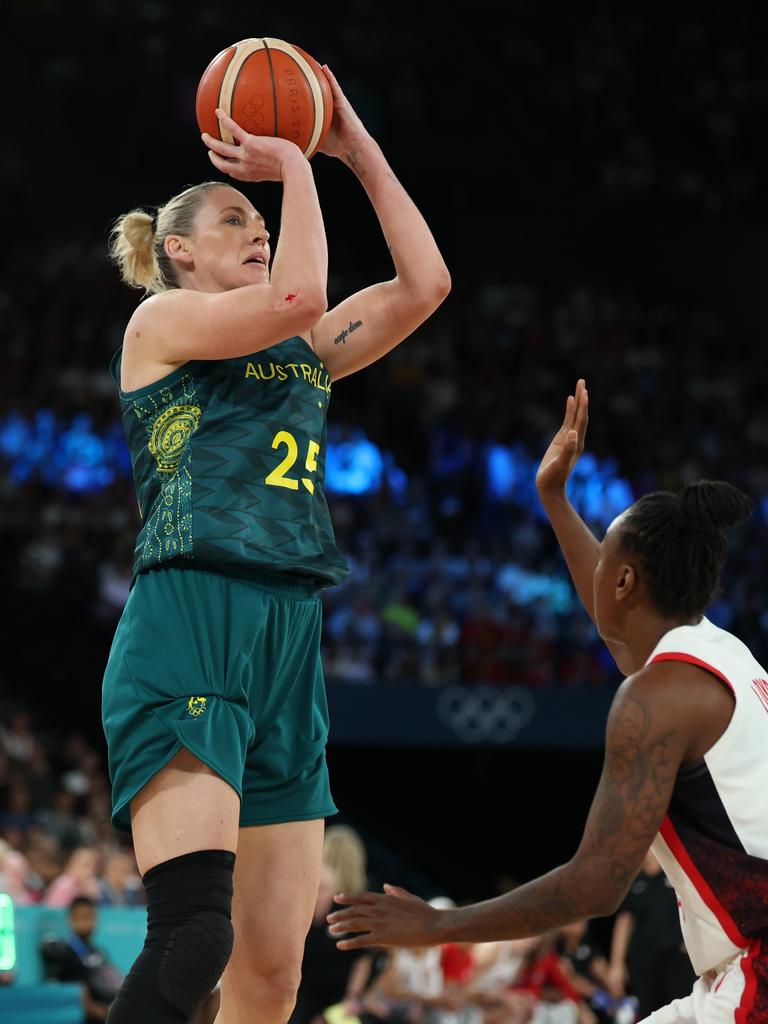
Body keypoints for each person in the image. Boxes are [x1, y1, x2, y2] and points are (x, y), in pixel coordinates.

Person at [102, 63, 450, 1024]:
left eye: (263, 223)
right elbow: (299, 295)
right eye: (236, 222)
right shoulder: (160, 322)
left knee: (273, 975)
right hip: (192, 612)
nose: (259, 230)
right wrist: (295, 169)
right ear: (177, 251)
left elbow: (425, 283)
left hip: (289, 629)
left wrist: (355, 148)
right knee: (193, 936)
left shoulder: (299, 350)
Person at [328, 379, 768, 1023]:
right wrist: (553, 498)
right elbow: (611, 616)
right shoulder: (718, 652)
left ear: (625, 579)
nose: (594, 578)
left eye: (605, 562)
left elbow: (596, 884)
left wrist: (436, 926)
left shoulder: (653, 700)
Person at [608, 850, 695, 1019]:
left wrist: (694, 945)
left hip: (677, 958)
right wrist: (616, 965)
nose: (651, 854)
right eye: (647, 850)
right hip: (644, 961)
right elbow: (623, 924)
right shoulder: (633, 884)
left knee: (682, 1013)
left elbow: (694, 909)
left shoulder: (675, 876)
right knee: (649, 1014)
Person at [41, 895, 124, 1023]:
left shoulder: (99, 952)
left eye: (90, 916)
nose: (86, 922)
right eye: (81, 917)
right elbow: (85, 1004)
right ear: (71, 919)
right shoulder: (66, 954)